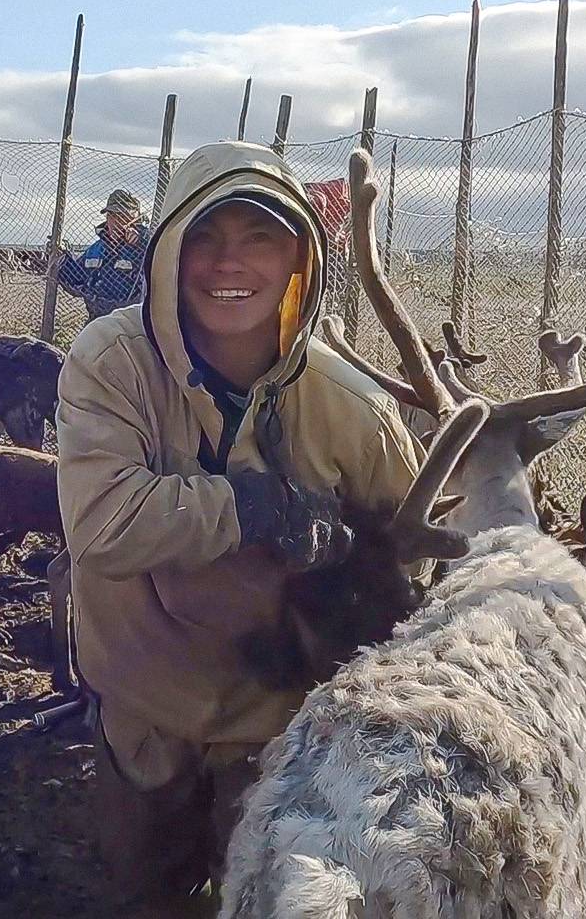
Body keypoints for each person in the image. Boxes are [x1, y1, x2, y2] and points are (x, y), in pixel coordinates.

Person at [56, 140, 424, 918]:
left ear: (300, 261)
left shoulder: (349, 404)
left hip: (287, 732)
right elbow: (103, 524)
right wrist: (258, 509)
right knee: (147, 891)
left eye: (260, 238)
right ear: (166, 255)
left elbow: (422, 555)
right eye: (206, 238)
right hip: (144, 704)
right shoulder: (111, 362)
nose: (231, 263)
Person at [54, 187, 150, 322]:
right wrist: (62, 258)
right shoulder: (96, 250)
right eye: (112, 215)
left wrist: (142, 242)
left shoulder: (147, 247)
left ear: (134, 220)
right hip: (97, 321)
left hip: (132, 324)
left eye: (123, 217)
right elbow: (77, 279)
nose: (116, 222)